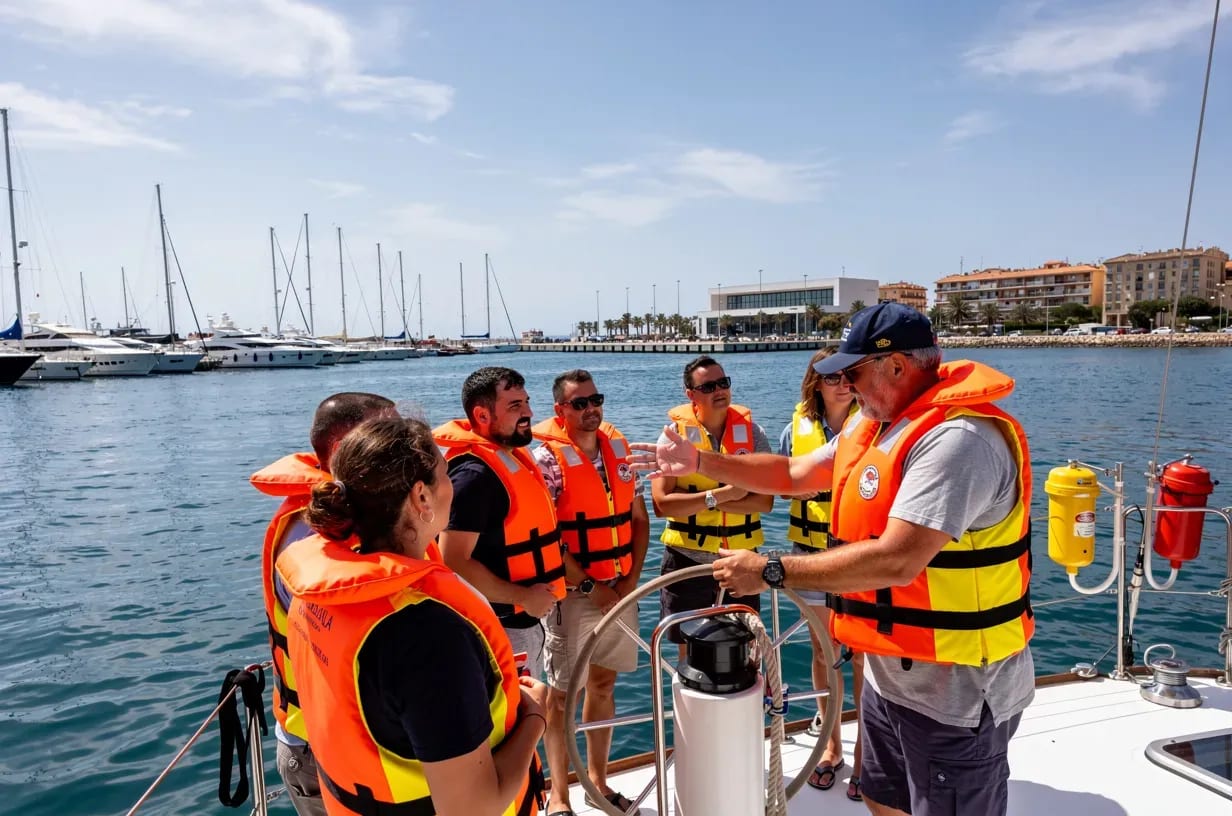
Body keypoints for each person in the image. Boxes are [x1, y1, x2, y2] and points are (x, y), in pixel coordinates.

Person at [632, 303, 1034, 816]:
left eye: (853, 372)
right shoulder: (878, 424)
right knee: (880, 797)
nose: (845, 385)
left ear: (896, 366)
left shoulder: (957, 440)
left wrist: (770, 570)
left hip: (956, 690)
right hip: (891, 675)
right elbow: (796, 474)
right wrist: (699, 462)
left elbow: (897, 560)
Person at [278, 416, 548, 816]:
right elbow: (472, 808)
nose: (452, 484)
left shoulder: (318, 592)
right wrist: (535, 717)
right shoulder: (428, 635)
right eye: (445, 472)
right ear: (421, 498)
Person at [249, 392, 395, 816]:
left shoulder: (356, 525)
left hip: (355, 740)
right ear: (341, 449)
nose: (402, 443)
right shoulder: (311, 539)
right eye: (387, 434)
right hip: (322, 749)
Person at [531, 369, 649, 816]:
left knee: (604, 683)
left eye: (594, 399)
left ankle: (597, 783)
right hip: (574, 595)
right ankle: (560, 797)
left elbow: (639, 519)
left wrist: (631, 580)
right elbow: (544, 536)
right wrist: (588, 584)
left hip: (622, 588)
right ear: (560, 411)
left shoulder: (619, 451)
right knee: (562, 696)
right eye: (579, 403)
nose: (590, 409)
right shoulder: (546, 462)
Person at [435, 367, 567, 679]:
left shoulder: (510, 458)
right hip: (501, 626)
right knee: (513, 720)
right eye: (515, 406)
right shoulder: (474, 477)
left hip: (525, 619)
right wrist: (524, 598)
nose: (529, 413)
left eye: (527, 402)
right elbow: (452, 559)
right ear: (481, 416)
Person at [779, 347, 865, 800]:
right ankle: (831, 746)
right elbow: (781, 480)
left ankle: (868, 752)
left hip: (859, 554)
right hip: (811, 554)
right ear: (815, 382)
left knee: (865, 651)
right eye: (831, 377)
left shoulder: (875, 426)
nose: (841, 383)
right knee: (822, 652)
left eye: (848, 375)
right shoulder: (793, 433)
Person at [652, 355, 774, 650]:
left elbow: (765, 501)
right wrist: (720, 496)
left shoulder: (754, 435)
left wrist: (706, 504)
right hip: (686, 562)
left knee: (744, 650)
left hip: (741, 562)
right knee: (688, 652)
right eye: (708, 386)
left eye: (723, 383)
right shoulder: (673, 438)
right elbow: (661, 504)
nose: (719, 391)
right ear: (690, 395)